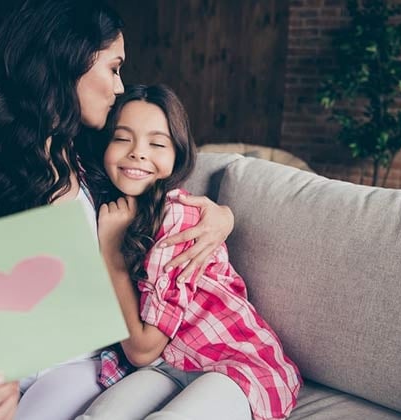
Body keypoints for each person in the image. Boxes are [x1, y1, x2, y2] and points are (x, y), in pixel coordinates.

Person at [0, 1, 234, 419]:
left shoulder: (101, 157)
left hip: (79, 362)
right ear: (66, 61)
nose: (120, 86)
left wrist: (223, 218)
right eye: (113, 67)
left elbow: (167, 195)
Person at [76, 84, 301, 420]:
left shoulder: (178, 215)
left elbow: (141, 348)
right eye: (122, 138)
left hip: (234, 364)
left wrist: (111, 254)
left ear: (177, 155)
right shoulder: (102, 208)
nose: (138, 152)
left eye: (156, 143)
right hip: (169, 363)